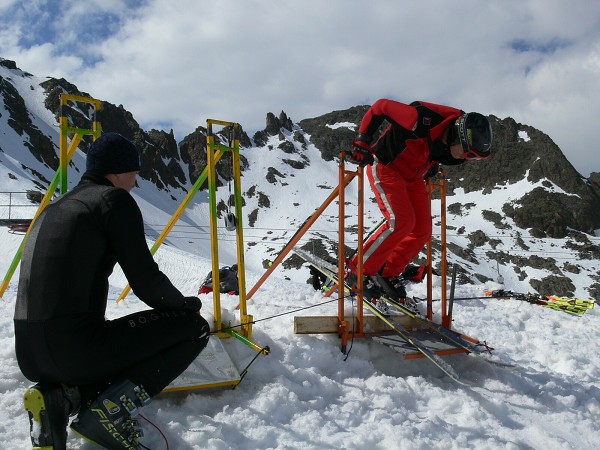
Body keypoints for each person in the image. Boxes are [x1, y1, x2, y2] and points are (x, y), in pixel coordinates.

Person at [14, 132, 211, 450]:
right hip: (75, 350)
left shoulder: (54, 209)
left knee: (100, 338)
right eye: (134, 174)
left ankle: (60, 398)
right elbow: (146, 280)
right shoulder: (112, 200)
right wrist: (186, 306)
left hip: (30, 355)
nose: (135, 183)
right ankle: (108, 414)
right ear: (118, 171)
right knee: (194, 329)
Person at [348, 99, 493, 300]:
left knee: (421, 230)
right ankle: (358, 271)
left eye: (474, 158)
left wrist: (430, 163)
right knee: (400, 222)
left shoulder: (451, 142)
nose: (468, 158)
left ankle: (387, 273)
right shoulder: (419, 120)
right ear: (458, 136)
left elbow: (432, 148)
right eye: (469, 153)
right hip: (386, 166)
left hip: (413, 177)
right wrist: (362, 141)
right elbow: (381, 107)